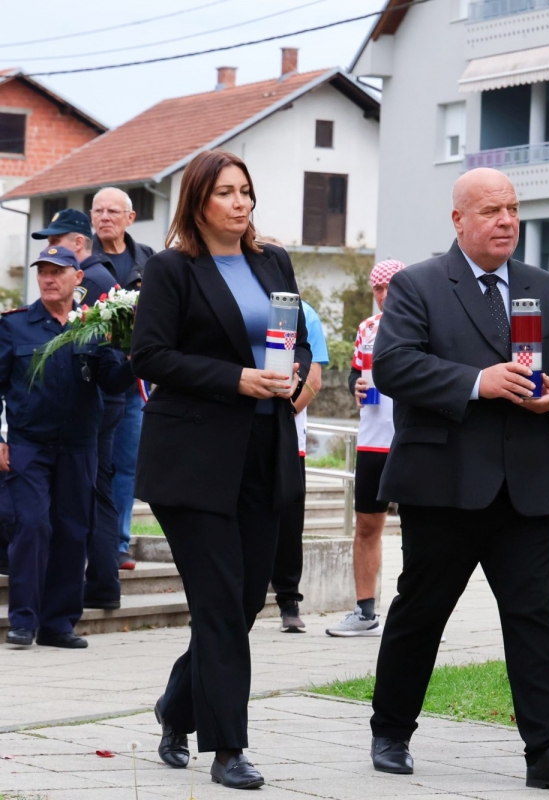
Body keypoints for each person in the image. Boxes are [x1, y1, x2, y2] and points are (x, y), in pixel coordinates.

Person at [367, 168, 549, 792]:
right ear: (458, 221)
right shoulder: (419, 286)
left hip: (526, 486)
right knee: (422, 611)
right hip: (444, 484)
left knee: (535, 617)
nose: (506, 220)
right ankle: (391, 729)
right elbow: (393, 365)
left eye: (512, 208)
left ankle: (548, 754)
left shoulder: (547, 288)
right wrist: (477, 382)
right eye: (491, 210)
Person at [131, 150, 311, 789]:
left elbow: (295, 337)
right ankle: (229, 748)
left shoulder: (273, 261)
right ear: (198, 202)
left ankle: (176, 706)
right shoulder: (171, 269)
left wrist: (289, 373)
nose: (241, 204)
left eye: (247, 192)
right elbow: (150, 355)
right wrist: (237, 378)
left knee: (239, 602)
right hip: (194, 464)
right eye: (227, 194)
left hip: (264, 454)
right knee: (216, 600)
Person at [0, 245, 134, 648]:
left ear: (78, 279)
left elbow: (112, 381)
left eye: (58, 271)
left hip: (79, 446)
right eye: (42, 271)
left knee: (74, 531)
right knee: (33, 526)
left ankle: (59, 623)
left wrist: (136, 356)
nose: (48, 278)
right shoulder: (14, 326)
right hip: (29, 445)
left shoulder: (93, 327)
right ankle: (23, 620)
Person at [35, 209, 125, 610]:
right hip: (101, 400)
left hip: (96, 399)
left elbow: (78, 341)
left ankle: (101, 582)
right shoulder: (103, 274)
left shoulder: (91, 280)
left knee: (91, 495)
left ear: (77, 244)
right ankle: (99, 582)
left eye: (57, 240)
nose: (49, 252)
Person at [325, 259, 403, 637]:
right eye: (379, 289)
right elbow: (357, 373)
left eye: (392, 286)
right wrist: (355, 384)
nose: (385, 295)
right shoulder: (367, 329)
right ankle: (365, 611)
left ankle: (417, 611)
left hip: (411, 439)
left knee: (424, 529)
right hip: (373, 441)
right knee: (366, 527)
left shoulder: (425, 323)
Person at [91, 187, 155, 571]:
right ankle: (90, 540)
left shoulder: (149, 260)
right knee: (91, 464)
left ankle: (117, 542)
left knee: (126, 464)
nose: (105, 217)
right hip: (94, 381)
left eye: (113, 211)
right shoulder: (83, 262)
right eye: (98, 210)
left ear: (130, 218)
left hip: (136, 381)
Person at [271, 298, 328, 633]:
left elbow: (314, 379)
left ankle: (288, 601)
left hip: (289, 438)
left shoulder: (304, 313)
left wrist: (284, 415)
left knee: (289, 524)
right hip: (237, 435)